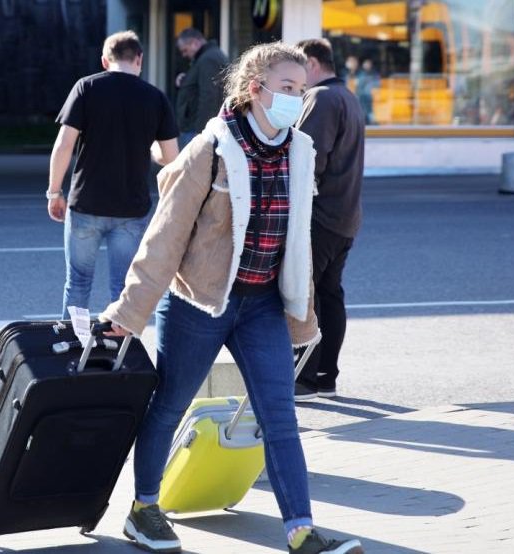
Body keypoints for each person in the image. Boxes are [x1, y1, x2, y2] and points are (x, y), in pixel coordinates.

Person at [101, 42, 364, 554]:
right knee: (170, 403)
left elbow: (299, 243)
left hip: (262, 304)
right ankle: (143, 509)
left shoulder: (299, 150)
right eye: (287, 89)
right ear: (255, 89)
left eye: (301, 90)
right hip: (200, 302)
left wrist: (304, 313)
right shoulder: (213, 148)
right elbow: (165, 236)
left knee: (280, 414)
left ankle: (301, 531)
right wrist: (129, 312)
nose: (296, 99)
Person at [47, 31, 179, 318]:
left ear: (105, 61)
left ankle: (74, 346)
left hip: (86, 204)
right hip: (131, 209)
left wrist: (54, 191)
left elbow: (64, 145)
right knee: (122, 288)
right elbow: (171, 159)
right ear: (139, 59)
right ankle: (118, 350)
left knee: (78, 284)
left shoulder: (86, 87)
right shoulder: (155, 98)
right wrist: (152, 151)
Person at [293, 38, 365, 402]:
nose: (295, 80)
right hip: (345, 215)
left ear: (312, 62)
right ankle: (325, 376)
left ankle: (304, 378)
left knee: (304, 297)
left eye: (297, 69)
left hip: (320, 215)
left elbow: (306, 160)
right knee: (330, 294)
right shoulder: (349, 97)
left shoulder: (320, 99)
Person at [175, 28, 229, 148]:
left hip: (197, 130)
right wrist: (186, 80)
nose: (184, 55)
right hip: (197, 128)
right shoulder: (207, 57)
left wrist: (201, 133)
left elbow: (210, 97)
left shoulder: (208, 59)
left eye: (185, 50)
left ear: (195, 42)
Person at [354, 58, 379, 124]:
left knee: (369, 110)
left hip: (369, 96)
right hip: (361, 95)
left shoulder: (374, 75)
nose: (367, 65)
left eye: (368, 64)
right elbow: (357, 85)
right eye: (366, 64)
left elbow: (377, 85)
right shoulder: (360, 74)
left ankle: (372, 122)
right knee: (361, 110)